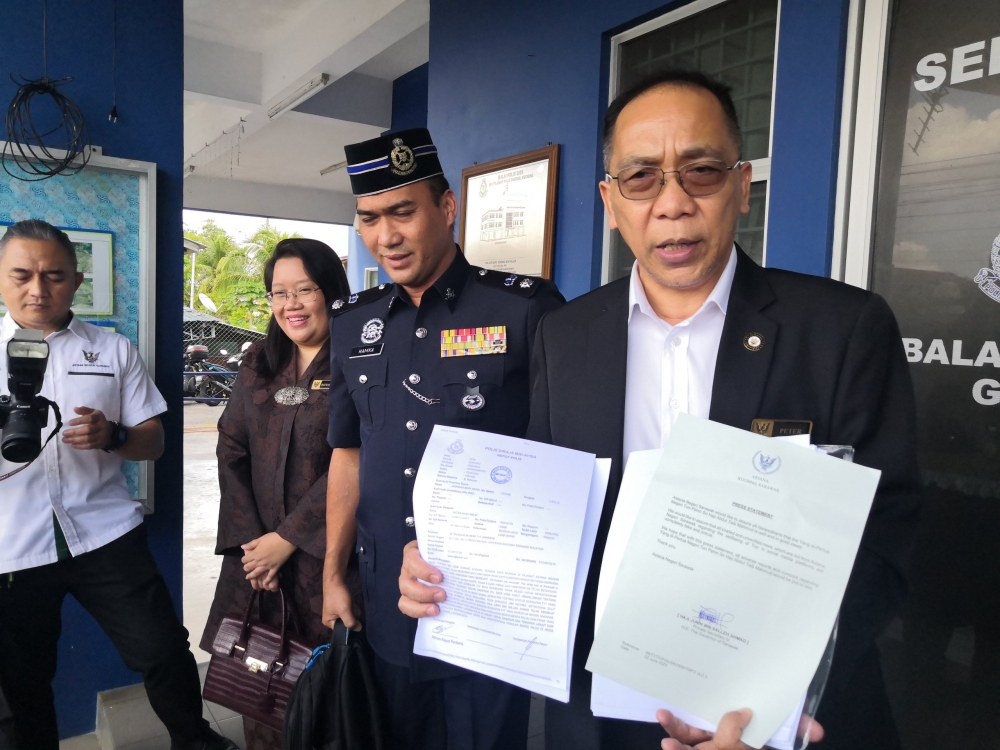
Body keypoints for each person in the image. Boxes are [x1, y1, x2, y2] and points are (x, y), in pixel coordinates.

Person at [399, 71, 921, 750]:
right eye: (641, 179)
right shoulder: (566, 335)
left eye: (701, 171)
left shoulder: (842, 328)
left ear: (741, 185)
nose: (673, 203)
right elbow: (549, 508)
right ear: (610, 203)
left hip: (773, 722)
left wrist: (774, 691)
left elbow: (886, 534)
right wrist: (454, 566)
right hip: (603, 714)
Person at [320, 127, 565, 750]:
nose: (386, 236)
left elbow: (559, 459)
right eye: (369, 219)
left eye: (403, 211)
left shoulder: (524, 311)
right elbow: (348, 455)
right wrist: (332, 572)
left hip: (487, 604)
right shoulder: (354, 323)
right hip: (385, 599)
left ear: (447, 208)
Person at [0, 219, 236, 750]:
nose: (38, 289)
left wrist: (114, 435)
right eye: (21, 275)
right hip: (10, 546)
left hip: (104, 532)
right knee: (20, 685)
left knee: (164, 650)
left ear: (77, 281)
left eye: (54, 275)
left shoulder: (112, 350)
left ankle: (196, 741)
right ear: (0, 277)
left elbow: (152, 443)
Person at [201, 238, 350, 748]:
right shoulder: (260, 359)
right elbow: (230, 443)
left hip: (325, 557)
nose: (290, 304)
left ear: (332, 291)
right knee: (260, 684)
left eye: (304, 289)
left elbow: (358, 460)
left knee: (324, 696)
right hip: (256, 561)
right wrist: (252, 542)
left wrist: (287, 538)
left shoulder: (360, 361)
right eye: (278, 292)